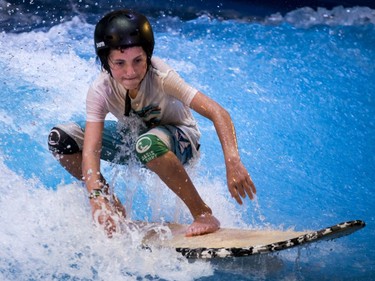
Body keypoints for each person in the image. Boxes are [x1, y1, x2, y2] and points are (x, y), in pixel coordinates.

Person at [48, 9, 256, 238]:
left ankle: (203, 213)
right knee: (61, 137)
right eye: (119, 63)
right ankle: (113, 204)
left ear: (148, 56)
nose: (130, 72)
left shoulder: (162, 76)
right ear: (106, 62)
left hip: (180, 139)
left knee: (147, 143)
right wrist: (97, 197)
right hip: (134, 137)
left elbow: (219, 112)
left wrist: (233, 161)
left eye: (138, 60)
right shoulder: (101, 89)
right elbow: (91, 148)